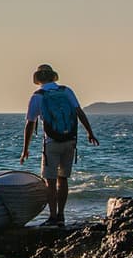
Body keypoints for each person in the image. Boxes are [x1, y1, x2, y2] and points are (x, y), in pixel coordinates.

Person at [18, 64, 98, 228]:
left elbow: (30, 124)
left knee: (51, 181)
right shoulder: (66, 91)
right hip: (70, 140)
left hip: (51, 143)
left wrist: (25, 149)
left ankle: (53, 217)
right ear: (53, 76)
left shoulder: (37, 96)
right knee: (63, 179)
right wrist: (90, 133)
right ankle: (61, 216)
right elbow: (79, 112)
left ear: (38, 79)